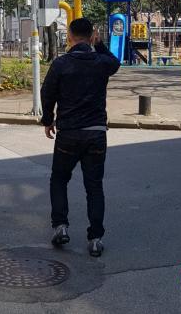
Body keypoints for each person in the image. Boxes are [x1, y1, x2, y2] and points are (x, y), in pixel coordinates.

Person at [40, 17, 120, 257]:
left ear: (70, 37)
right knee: (94, 186)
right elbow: (115, 63)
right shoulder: (101, 62)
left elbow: (47, 93)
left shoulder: (61, 64)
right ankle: (95, 239)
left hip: (69, 133)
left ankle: (60, 226)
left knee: (59, 179)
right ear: (92, 36)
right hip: (96, 133)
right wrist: (100, 44)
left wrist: (48, 120)